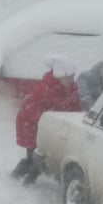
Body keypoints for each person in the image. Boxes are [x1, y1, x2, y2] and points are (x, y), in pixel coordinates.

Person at [11, 56, 81, 185]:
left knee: (38, 159)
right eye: (68, 77)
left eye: (73, 76)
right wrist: (51, 122)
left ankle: (21, 179)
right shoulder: (45, 89)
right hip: (31, 127)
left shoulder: (71, 88)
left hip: (48, 128)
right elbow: (32, 111)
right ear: (60, 76)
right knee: (37, 159)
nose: (72, 80)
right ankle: (22, 181)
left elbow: (75, 108)